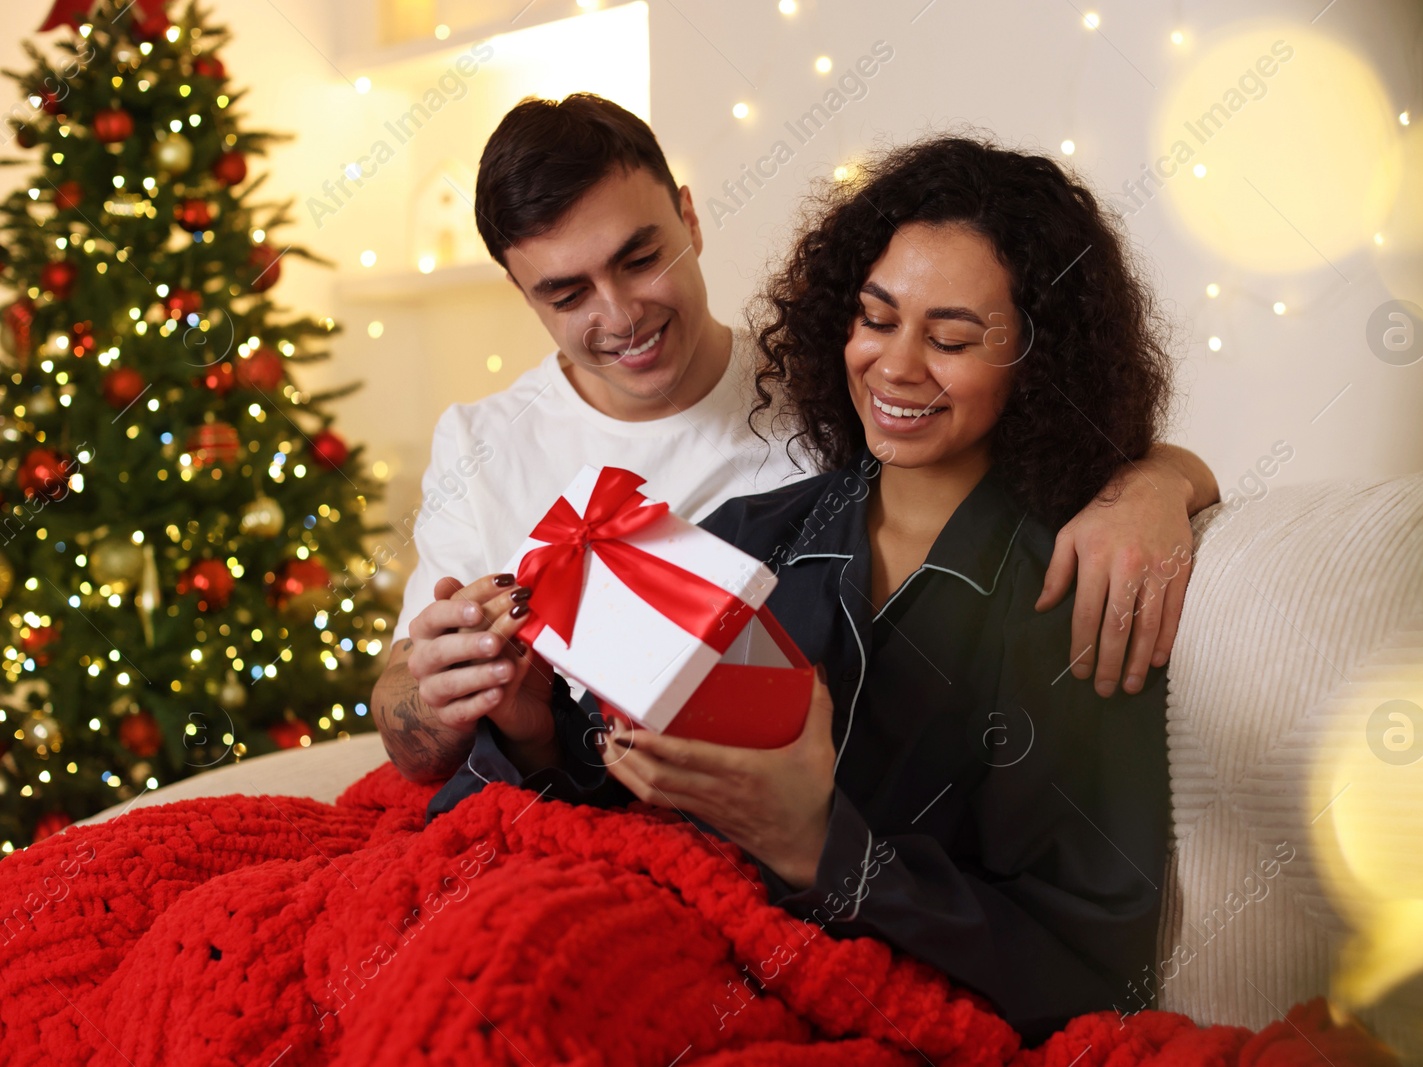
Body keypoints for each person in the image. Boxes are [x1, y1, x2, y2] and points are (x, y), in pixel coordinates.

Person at [425, 134, 1174, 1047]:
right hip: (652, 953)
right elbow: (590, 782)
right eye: (876, 318)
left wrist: (812, 843)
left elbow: (1091, 958)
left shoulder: (1074, 589)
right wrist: (537, 727)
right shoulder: (755, 532)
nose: (897, 367)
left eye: (951, 338)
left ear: (1039, 358)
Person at [371, 93, 1217, 793]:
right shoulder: (481, 442)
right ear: (524, 296)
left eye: (639, 259)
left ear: (689, 217)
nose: (621, 314)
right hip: (570, 805)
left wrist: (1151, 482)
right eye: (567, 294)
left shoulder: (837, 394)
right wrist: (442, 693)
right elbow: (406, 726)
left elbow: (1037, 434)